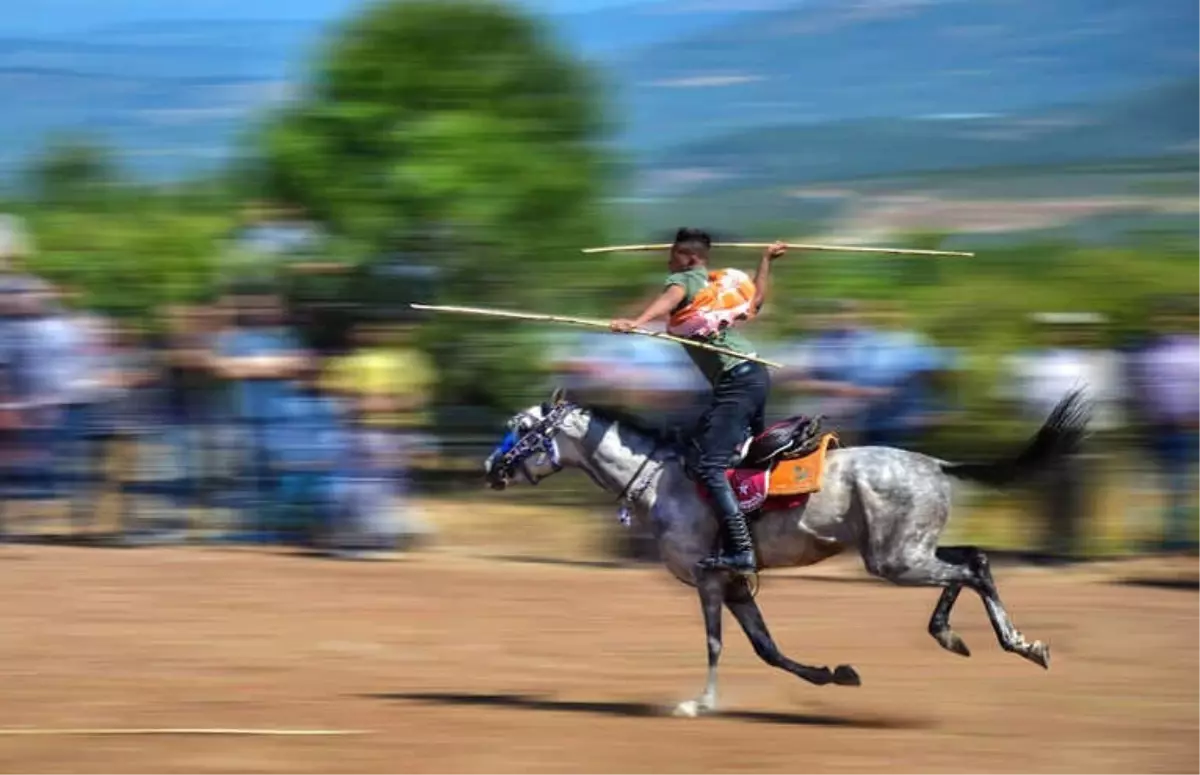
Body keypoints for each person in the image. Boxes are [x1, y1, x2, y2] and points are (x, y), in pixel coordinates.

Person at [609, 227, 787, 574]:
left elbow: (667, 301)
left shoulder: (686, 279)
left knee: (710, 467)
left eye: (673, 255)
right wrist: (766, 260)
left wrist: (637, 322)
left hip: (737, 380)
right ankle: (759, 529)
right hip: (752, 375)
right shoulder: (714, 287)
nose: (668, 261)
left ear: (690, 258)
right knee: (750, 458)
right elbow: (757, 302)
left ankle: (741, 550)